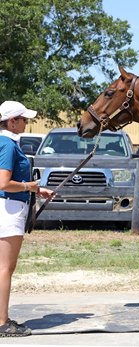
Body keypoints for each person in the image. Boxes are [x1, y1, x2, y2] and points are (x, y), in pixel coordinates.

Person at [0, 101, 54, 337]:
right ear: (12, 121)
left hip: (10, 205)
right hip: (9, 208)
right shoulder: (8, 145)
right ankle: (2, 322)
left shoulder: (8, 143)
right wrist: (28, 186)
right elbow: (3, 183)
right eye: (23, 119)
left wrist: (35, 190)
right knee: (5, 268)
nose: (26, 123)